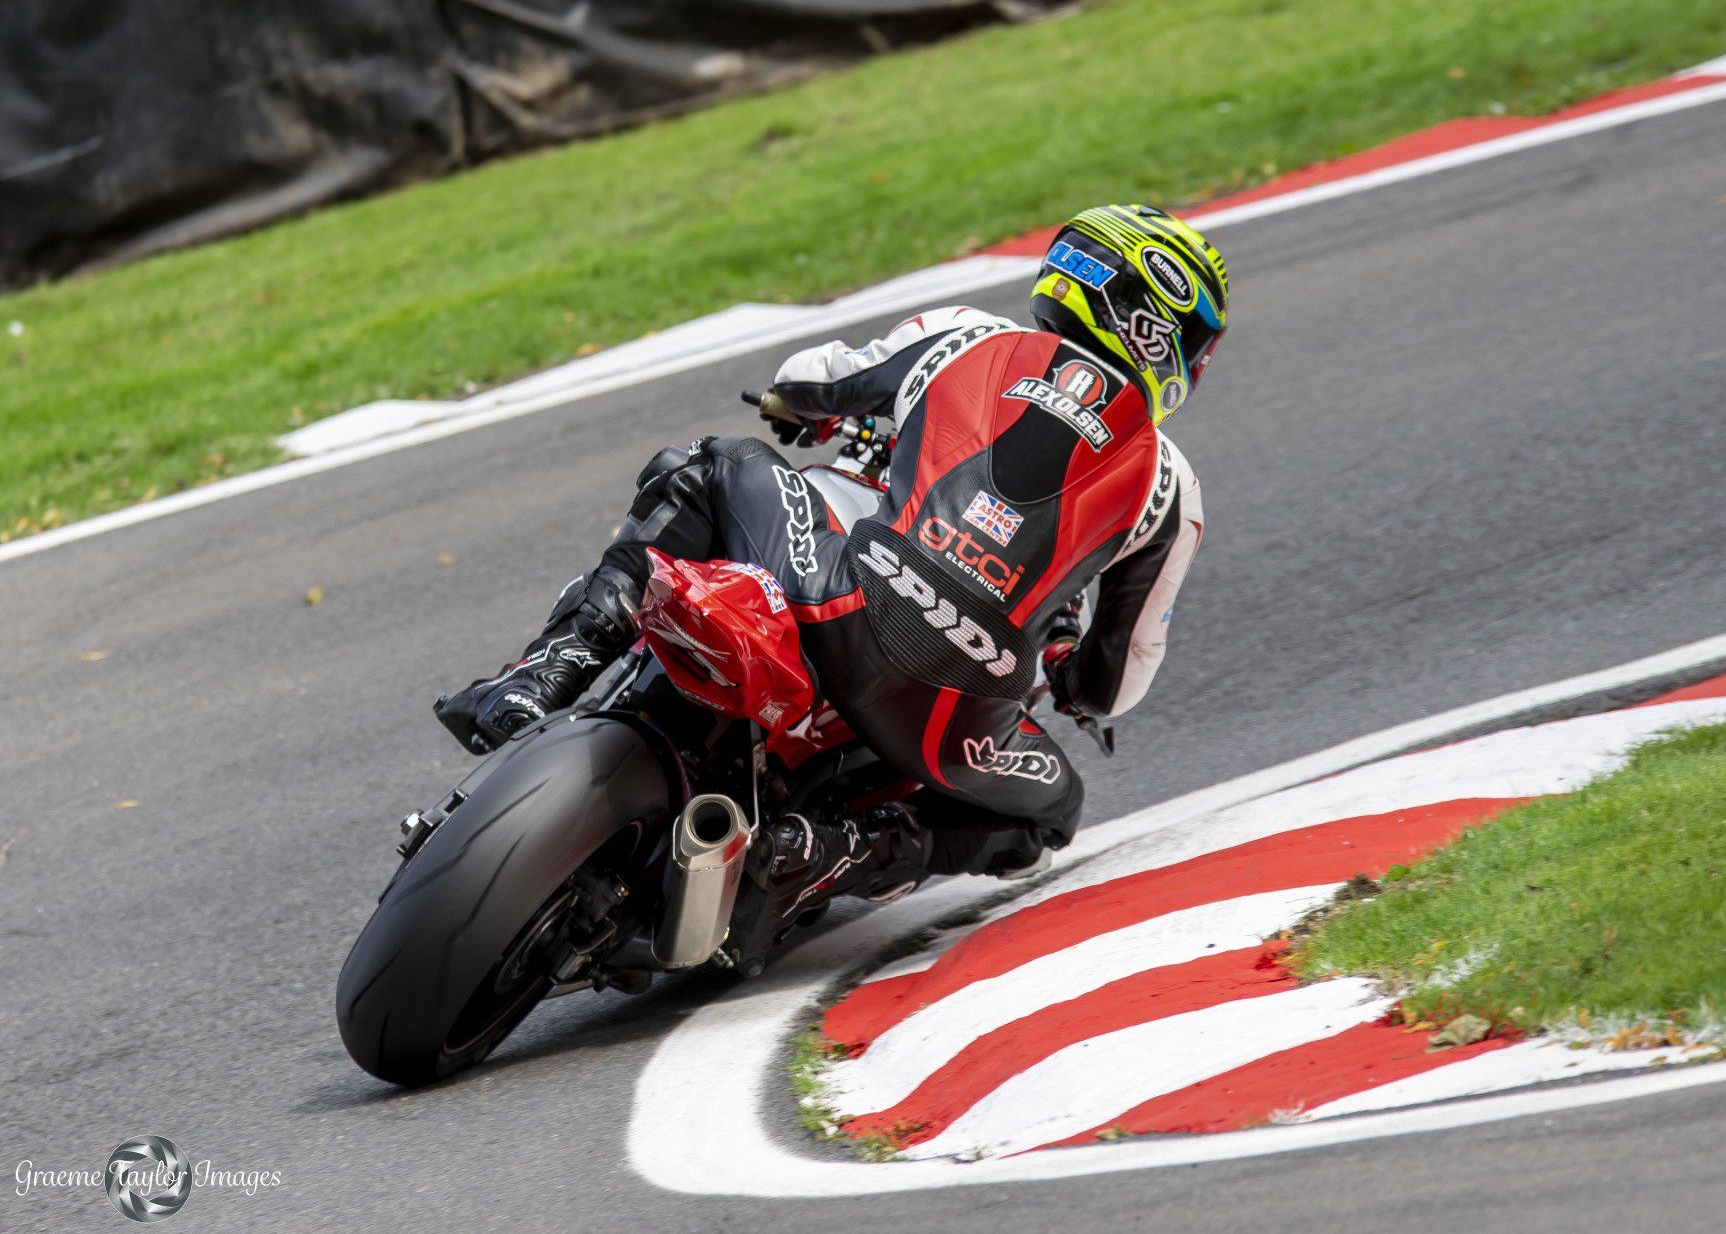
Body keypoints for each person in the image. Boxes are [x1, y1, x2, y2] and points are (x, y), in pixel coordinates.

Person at [435, 204, 1226, 970]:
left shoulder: (971, 335)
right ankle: (822, 855)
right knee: (1050, 812)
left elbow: (810, 378)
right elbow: (1115, 682)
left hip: (840, 600)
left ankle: (542, 676)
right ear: (1161, 332)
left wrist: (802, 410)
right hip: (951, 716)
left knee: (710, 465)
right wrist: (1069, 676)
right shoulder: (1171, 487)